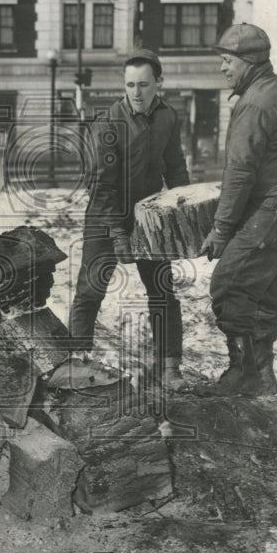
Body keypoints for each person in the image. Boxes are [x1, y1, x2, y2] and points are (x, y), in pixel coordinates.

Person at [198, 23, 277, 395]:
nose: (222, 68)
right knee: (263, 292)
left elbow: (239, 174)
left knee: (229, 285)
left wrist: (221, 230)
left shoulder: (254, 102)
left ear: (247, 61)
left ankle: (243, 373)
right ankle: (262, 376)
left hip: (276, 206)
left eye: (227, 60)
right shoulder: (276, 90)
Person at [64, 48, 190, 390]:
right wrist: (118, 233)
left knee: (162, 292)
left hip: (148, 217)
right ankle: (77, 365)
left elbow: (176, 165)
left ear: (158, 84)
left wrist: (183, 210)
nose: (136, 92)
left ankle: (170, 369)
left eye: (144, 85)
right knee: (90, 292)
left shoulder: (168, 117)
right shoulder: (107, 123)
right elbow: (102, 185)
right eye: (130, 84)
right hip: (105, 216)